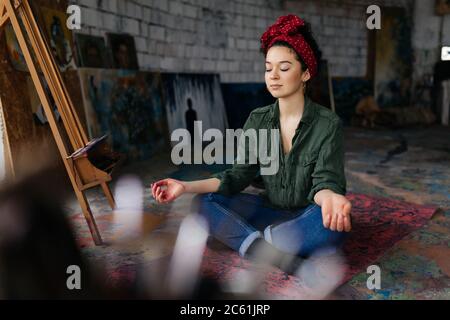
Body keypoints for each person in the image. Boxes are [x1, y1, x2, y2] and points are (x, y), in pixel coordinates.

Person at [151, 15, 352, 274]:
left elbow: (326, 182)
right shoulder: (257, 120)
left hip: (306, 216)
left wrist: (331, 199)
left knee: (333, 225)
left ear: (305, 73)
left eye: (284, 67)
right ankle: (281, 256)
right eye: (269, 68)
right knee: (202, 203)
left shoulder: (328, 123)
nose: (273, 76)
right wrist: (184, 186)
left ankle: (250, 241)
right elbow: (236, 176)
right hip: (268, 212)